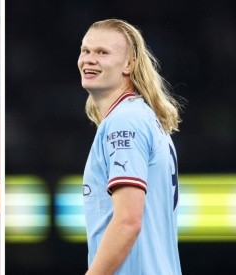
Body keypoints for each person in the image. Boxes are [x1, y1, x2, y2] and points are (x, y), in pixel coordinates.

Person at [78, 19, 182, 274]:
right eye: (85, 50)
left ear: (129, 64)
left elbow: (127, 221)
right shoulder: (142, 117)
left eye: (102, 52)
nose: (89, 59)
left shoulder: (125, 121)